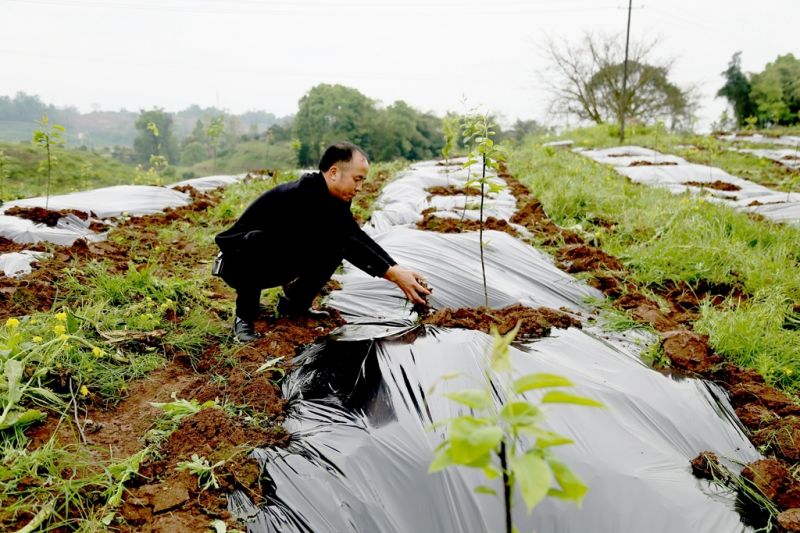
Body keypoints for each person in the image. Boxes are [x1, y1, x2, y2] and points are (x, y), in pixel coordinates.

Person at [214, 141, 431, 342]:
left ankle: (295, 306)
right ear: (334, 172)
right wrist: (393, 276)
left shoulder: (334, 198)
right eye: (357, 179)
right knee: (258, 240)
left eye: (363, 180)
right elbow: (347, 242)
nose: (360, 187)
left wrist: (395, 267)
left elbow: (354, 235)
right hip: (239, 262)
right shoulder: (305, 194)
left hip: (278, 259)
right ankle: (244, 318)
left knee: (334, 246)